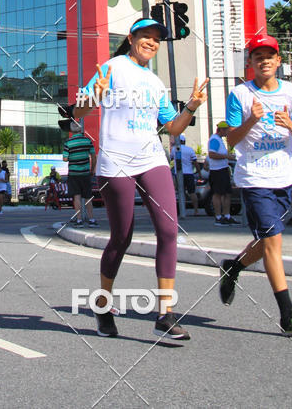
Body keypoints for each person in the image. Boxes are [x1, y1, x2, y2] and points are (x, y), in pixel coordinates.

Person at [75, 18, 208, 339]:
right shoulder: (111, 67)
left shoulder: (155, 83)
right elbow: (76, 113)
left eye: (156, 39)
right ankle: (103, 304)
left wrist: (190, 106)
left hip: (151, 158)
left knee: (168, 230)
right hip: (115, 162)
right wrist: (94, 95)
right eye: (145, 36)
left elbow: (172, 128)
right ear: (132, 38)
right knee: (122, 237)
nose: (151, 42)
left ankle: (165, 314)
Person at [219, 33, 292, 336]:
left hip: (285, 178)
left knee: (266, 243)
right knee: (274, 242)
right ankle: (288, 315)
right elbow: (230, 140)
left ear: (278, 61)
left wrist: (291, 125)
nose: (264, 61)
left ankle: (233, 267)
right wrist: (251, 121)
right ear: (250, 63)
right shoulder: (240, 94)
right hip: (253, 178)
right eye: (258, 57)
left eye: (269, 56)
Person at [62, 120, 98, 226]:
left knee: (76, 196)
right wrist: (92, 169)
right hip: (86, 173)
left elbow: (65, 159)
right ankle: (91, 219)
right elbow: (93, 156)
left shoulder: (68, 143)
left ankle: (79, 219)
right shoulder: (87, 141)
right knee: (88, 196)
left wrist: (72, 156)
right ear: (81, 129)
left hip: (73, 174)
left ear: (71, 131)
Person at [207, 122, 237, 225]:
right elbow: (211, 154)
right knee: (218, 194)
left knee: (227, 193)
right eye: (226, 130)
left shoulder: (219, 140)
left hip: (223, 169)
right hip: (217, 170)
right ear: (221, 130)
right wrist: (226, 157)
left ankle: (227, 215)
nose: (228, 132)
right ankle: (218, 217)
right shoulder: (214, 139)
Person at [170, 134, 200, 216]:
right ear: (184, 141)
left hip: (178, 174)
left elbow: (170, 159)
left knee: (180, 192)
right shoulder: (190, 150)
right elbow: (195, 162)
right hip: (189, 173)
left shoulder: (174, 149)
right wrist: (199, 172)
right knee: (192, 192)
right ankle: (196, 210)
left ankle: (181, 210)